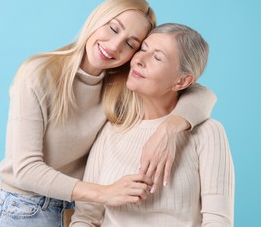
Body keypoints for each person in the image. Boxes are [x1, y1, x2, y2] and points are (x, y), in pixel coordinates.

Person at [0, 0, 217, 227]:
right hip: (25, 210)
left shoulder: (120, 86)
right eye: (113, 28)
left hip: (72, 211)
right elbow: (26, 169)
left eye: (130, 44)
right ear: (98, 19)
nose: (115, 45)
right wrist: (105, 193)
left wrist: (168, 129)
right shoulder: (39, 74)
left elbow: (201, 94)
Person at [71, 23, 234, 226]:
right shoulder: (112, 129)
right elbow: (86, 217)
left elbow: (218, 221)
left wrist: (167, 129)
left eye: (157, 57)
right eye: (143, 49)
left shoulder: (208, 133)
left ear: (182, 81)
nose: (139, 60)